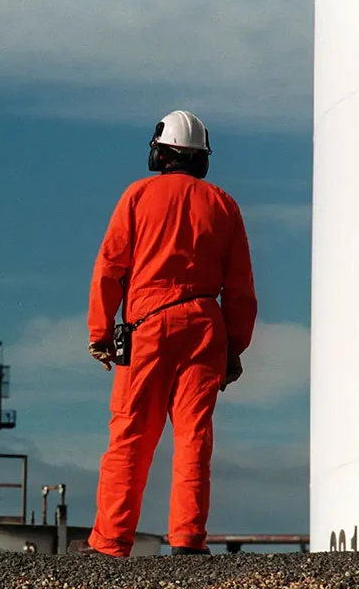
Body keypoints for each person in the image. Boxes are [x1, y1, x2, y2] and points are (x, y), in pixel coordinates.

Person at [71, 110, 257, 558]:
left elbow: (110, 269)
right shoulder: (224, 205)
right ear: (201, 159)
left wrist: (100, 331)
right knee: (194, 437)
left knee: (131, 435)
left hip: (148, 327)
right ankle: (189, 541)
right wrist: (233, 347)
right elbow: (241, 289)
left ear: (159, 153)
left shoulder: (137, 196)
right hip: (205, 327)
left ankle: (111, 543)